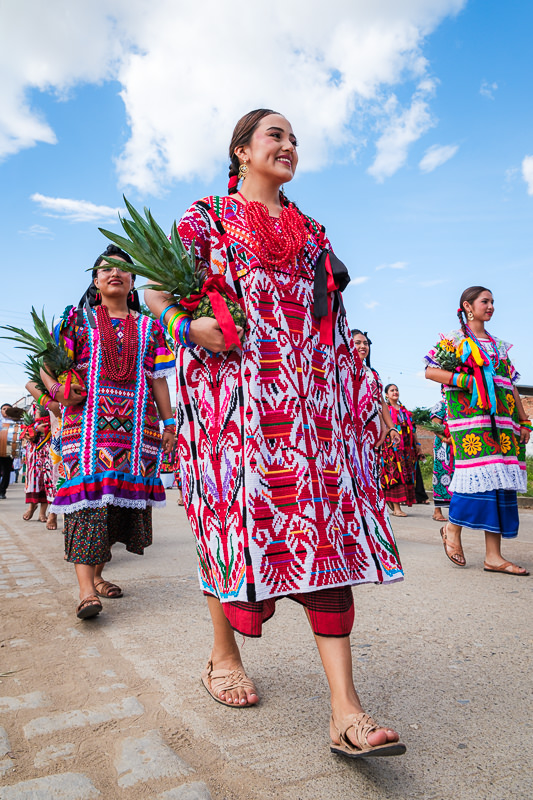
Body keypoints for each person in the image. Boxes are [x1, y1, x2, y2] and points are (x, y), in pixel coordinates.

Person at [146, 109, 405, 758]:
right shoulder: (203, 217)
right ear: (240, 151)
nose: (289, 146)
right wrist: (187, 325)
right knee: (231, 527)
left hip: (308, 409)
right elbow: (158, 287)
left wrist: (355, 399)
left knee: (321, 535)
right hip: (231, 403)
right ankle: (221, 655)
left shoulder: (311, 230)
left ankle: (344, 709)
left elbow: (334, 315)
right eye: (275, 136)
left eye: (294, 139)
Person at [41, 245, 176, 619]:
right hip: (84, 434)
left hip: (136, 436)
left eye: (122, 269)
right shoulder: (78, 320)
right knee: (87, 506)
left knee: (114, 510)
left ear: (132, 282)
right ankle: (86, 592)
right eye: (105, 270)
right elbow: (47, 366)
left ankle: (98, 577)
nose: (114, 273)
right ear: (96, 281)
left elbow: (159, 381)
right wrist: (56, 393)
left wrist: (169, 424)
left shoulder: (150, 327)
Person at [425, 286, 530, 575]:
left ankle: (493, 557)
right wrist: (467, 381)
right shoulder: (455, 340)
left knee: (498, 483)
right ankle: (452, 528)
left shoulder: (498, 345)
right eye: (485, 301)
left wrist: (524, 421)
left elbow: (510, 384)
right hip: (473, 424)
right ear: (468, 306)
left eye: (493, 301)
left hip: (503, 424)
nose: (491, 306)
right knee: (477, 479)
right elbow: (431, 371)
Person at [350, 330, 401, 479]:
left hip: (375, 436)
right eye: (357, 343)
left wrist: (390, 428)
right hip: (354, 433)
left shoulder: (373, 374)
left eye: (365, 343)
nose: (362, 346)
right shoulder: (344, 370)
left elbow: (381, 403)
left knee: (372, 477)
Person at [380, 384, 421, 517]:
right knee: (394, 474)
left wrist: (418, 445)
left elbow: (412, 430)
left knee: (405, 474)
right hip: (392, 448)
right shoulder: (385, 410)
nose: (395, 392)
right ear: (386, 395)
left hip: (406, 449)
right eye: (392, 390)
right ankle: (396, 508)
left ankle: (395, 504)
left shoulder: (405, 412)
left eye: (397, 390)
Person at [22, 405, 54, 522]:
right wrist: (32, 431)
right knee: (34, 479)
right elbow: (25, 427)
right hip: (34, 447)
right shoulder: (34, 408)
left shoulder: (54, 403)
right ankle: (32, 506)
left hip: (49, 444)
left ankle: (43, 512)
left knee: (48, 478)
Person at [430, 398, 454, 523]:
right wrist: (445, 439)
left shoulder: (458, 402)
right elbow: (435, 426)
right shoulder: (441, 405)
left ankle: (455, 512)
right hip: (443, 447)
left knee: (456, 476)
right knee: (441, 475)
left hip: (458, 446)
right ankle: (437, 511)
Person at [0, 403, 20, 499]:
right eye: (4, 409)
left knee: (6, 471)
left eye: (8, 409)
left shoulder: (17, 422)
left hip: (9, 450)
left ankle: (2, 491)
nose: (6, 411)